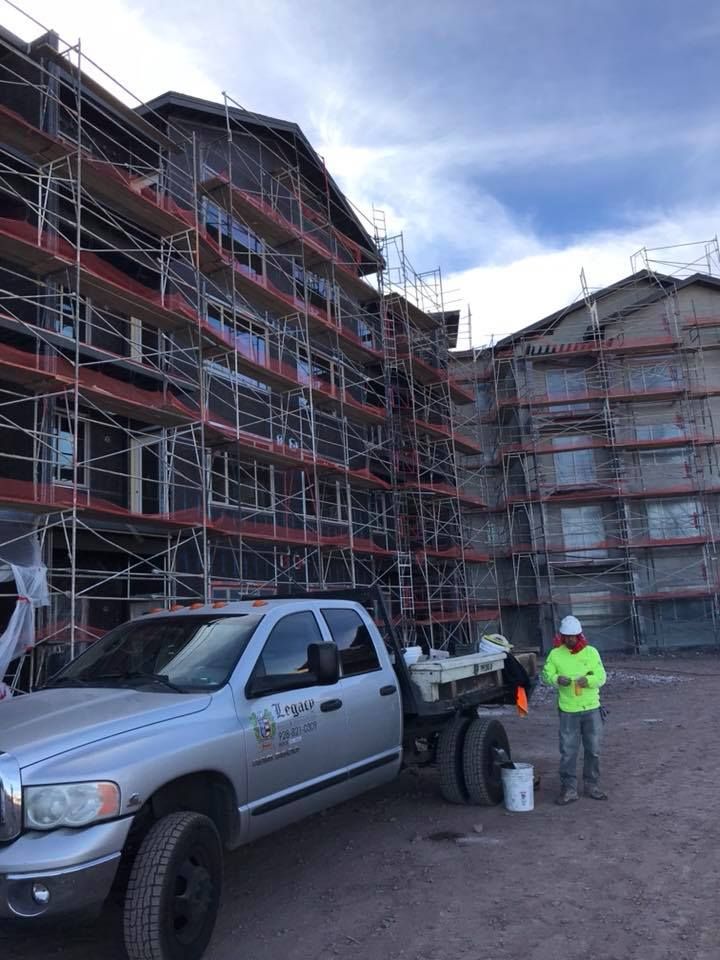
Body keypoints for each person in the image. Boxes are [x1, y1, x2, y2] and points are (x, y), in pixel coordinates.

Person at [542, 615, 607, 805]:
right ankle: (569, 789)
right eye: (566, 637)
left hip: (591, 708)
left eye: (573, 637)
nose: (570, 640)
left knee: (593, 750)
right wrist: (556, 680)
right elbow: (547, 675)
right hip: (568, 709)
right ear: (562, 637)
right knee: (568, 751)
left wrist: (589, 681)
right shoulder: (555, 655)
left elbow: (601, 676)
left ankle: (592, 785)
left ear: (579, 636)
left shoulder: (591, 653)